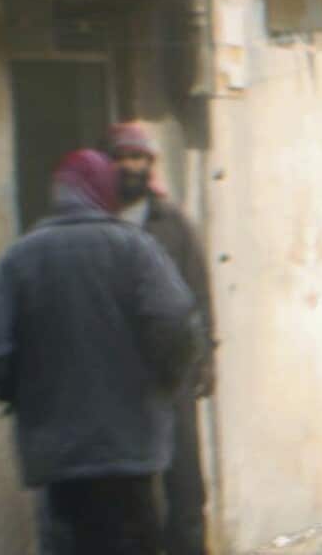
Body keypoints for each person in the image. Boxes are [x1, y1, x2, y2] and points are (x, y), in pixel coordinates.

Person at [0, 149, 201, 555]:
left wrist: (22, 393)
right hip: (132, 448)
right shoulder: (135, 249)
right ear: (105, 192)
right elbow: (177, 321)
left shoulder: (22, 257)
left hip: (59, 456)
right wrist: (166, 380)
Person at [109, 121, 216, 555]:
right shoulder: (100, 222)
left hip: (172, 375)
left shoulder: (173, 224)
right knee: (132, 494)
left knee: (186, 487)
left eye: (138, 158)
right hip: (118, 378)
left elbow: (198, 293)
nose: (130, 166)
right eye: (122, 158)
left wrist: (207, 357)